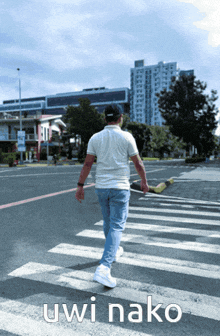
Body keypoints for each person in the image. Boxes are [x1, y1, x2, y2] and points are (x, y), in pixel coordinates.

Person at [75, 104, 149, 288]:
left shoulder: (95, 138)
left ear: (105, 118)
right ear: (120, 117)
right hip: (119, 187)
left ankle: (113, 251)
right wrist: (144, 181)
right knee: (117, 225)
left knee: (108, 222)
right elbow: (138, 163)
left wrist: (80, 186)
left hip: (101, 187)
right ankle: (104, 268)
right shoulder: (126, 137)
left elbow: (87, 165)